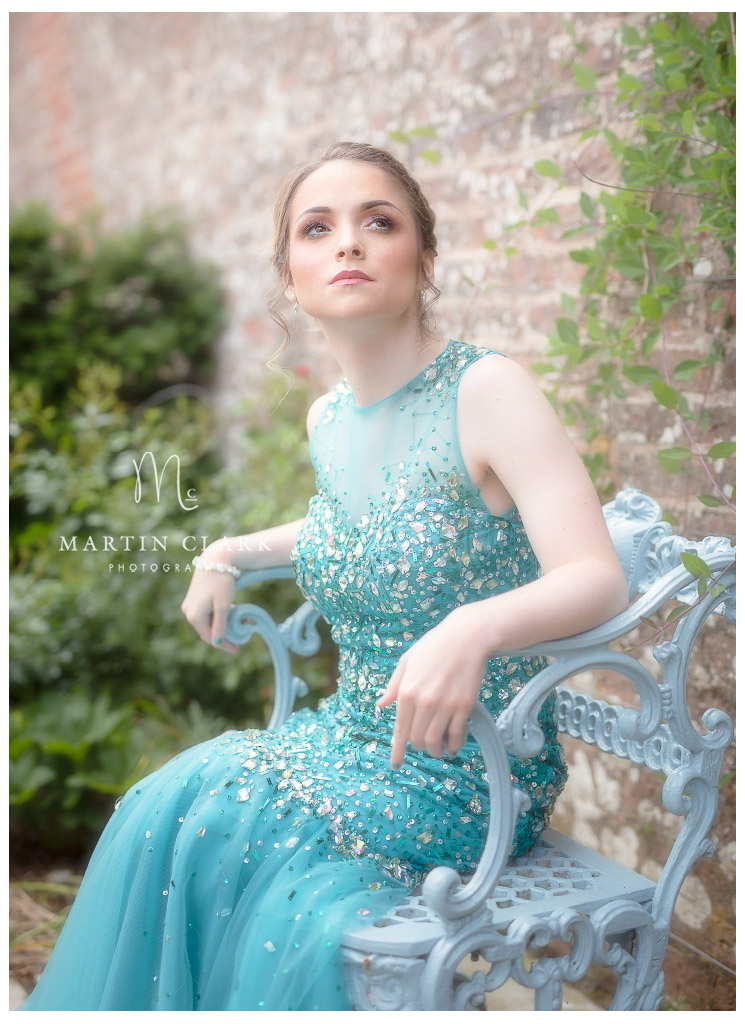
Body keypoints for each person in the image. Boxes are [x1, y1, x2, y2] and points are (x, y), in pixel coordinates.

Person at [22, 141, 628, 1011]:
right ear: (291, 274)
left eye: (378, 222)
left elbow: (593, 575)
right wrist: (223, 550)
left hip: (472, 771)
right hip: (348, 735)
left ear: (422, 257)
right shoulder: (328, 418)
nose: (348, 243)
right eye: (318, 228)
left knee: (244, 853)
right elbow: (354, 525)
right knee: (166, 806)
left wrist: (472, 626)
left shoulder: (488, 390)